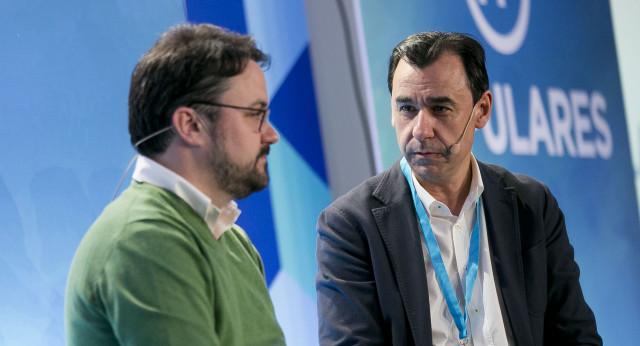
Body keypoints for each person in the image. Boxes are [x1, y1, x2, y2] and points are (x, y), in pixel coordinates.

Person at [315, 31, 601, 345]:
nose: (421, 130)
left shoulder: (531, 204)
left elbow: (576, 336)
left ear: (482, 110)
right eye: (407, 109)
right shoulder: (350, 226)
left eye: (440, 109)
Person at [65, 23, 285, 345]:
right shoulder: (142, 238)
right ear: (190, 124)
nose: (271, 135)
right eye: (255, 115)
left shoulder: (235, 242)